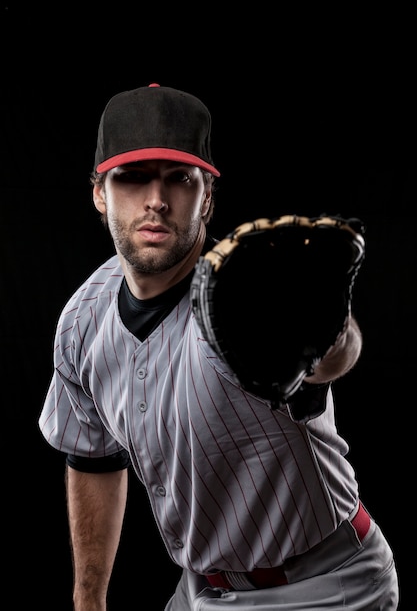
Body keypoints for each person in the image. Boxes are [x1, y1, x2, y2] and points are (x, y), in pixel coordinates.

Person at [38, 82, 399, 610]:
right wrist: (88, 601)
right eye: (132, 177)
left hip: (321, 587)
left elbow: (327, 361)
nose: (156, 199)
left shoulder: (245, 297)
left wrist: (333, 331)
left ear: (206, 195)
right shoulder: (82, 319)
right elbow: (93, 458)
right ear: (100, 192)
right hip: (202, 588)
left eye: (179, 179)